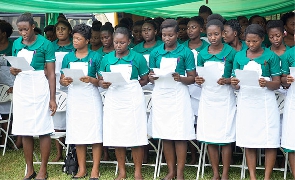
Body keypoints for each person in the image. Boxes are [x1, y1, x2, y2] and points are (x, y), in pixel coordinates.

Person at [231, 24, 281, 180]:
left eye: (255, 41)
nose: (251, 45)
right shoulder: (239, 56)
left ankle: (267, 177)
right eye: (248, 41)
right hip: (246, 101)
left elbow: (277, 83)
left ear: (262, 39)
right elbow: (237, 83)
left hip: (265, 102)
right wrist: (235, 82)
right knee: (248, 137)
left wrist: (266, 83)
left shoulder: (271, 56)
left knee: (269, 138)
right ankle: (252, 176)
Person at [10, 13, 56, 180]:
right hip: (22, 86)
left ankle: (43, 169)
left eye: (26, 29)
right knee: (25, 129)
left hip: (39, 85)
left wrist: (52, 98)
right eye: (20, 30)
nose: (23, 33)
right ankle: (30, 169)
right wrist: (13, 70)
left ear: (33, 27)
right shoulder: (16, 44)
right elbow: (15, 67)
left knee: (43, 129)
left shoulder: (46, 44)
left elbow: (51, 74)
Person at [99, 27, 149, 180]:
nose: (118, 45)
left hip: (132, 98)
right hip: (114, 98)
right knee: (117, 134)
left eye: (122, 42)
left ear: (129, 41)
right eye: (116, 42)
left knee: (136, 134)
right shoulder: (106, 59)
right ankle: (122, 171)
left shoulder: (138, 57)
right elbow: (101, 79)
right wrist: (103, 84)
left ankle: (137, 172)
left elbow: (145, 79)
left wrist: (131, 87)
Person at [149, 19, 196, 180]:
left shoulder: (185, 52)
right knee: (165, 133)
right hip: (161, 95)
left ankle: (180, 172)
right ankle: (171, 171)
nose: (167, 38)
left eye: (170, 35)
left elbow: (192, 78)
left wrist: (180, 78)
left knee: (180, 134)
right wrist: (151, 77)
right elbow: (151, 76)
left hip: (178, 94)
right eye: (164, 35)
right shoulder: (155, 52)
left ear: (177, 34)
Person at [195, 14, 237, 180]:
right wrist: (198, 80)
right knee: (210, 136)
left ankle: (225, 173)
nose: (213, 37)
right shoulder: (202, 54)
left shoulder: (231, 53)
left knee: (225, 136)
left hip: (225, 96)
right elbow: (199, 76)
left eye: (216, 34)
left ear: (223, 34)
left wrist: (227, 80)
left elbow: (235, 77)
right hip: (208, 97)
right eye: (210, 34)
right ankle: (215, 173)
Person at [60, 23, 103, 179]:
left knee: (95, 133)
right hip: (74, 97)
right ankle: (82, 168)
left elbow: (102, 81)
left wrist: (91, 79)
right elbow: (61, 79)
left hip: (91, 96)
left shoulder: (96, 57)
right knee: (78, 133)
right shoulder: (67, 57)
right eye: (74, 38)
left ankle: (95, 170)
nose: (75, 41)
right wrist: (64, 82)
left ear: (87, 40)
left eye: (79, 39)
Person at [182, 16, 209, 165]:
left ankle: (203, 153)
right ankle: (193, 155)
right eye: (188, 28)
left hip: (202, 87)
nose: (190, 30)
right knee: (189, 120)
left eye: (193, 27)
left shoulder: (207, 46)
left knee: (201, 121)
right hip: (186, 86)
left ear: (201, 29)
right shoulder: (182, 47)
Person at [0, 20, 18, 147]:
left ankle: (14, 138)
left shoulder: (13, 47)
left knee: (12, 111)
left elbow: (17, 67)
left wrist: (15, 85)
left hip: (12, 81)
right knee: (2, 111)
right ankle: (4, 138)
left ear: (4, 34)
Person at [281, 35, 295, 179]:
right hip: (293, 98)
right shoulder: (289, 54)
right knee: (292, 136)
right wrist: (287, 79)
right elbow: (283, 79)